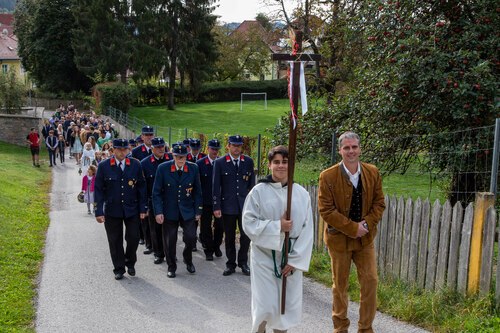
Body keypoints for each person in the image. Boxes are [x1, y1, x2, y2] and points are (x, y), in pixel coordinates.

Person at [318, 131, 386, 333]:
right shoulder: (327, 176)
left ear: (360, 149)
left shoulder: (372, 172)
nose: (351, 151)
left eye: (354, 147)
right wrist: (351, 227)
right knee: (340, 286)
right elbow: (326, 210)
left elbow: (379, 203)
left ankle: (366, 328)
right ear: (340, 150)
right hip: (339, 241)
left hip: (365, 240)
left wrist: (365, 225)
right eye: (346, 147)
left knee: (371, 281)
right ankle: (340, 328)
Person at [242, 145, 313, 333]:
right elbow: (248, 223)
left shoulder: (301, 194)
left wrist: (295, 260)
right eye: (276, 162)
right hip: (264, 256)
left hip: (290, 257)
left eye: (285, 162)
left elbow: (307, 231)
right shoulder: (258, 192)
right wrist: (277, 226)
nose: (281, 166)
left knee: (285, 306)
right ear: (269, 165)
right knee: (265, 304)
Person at [94, 138, 148, 280]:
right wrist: (98, 211)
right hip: (112, 209)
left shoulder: (135, 165)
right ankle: (119, 268)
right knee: (114, 240)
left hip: (132, 208)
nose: (122, 152)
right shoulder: (104, 166)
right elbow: (98, 190)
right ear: (113, 150)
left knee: (134, 238)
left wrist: (143, 208)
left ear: (129, 150)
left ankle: (130, 262)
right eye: (119, 149)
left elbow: (142, 187)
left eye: (125, 149)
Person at [152, 144, 202, 278]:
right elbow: (156, 192)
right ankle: (171, 266)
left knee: (191, 237)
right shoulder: (163, 168)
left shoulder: (193, 168)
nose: (181, 159)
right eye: (178, 157)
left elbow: (197, 192)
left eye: (183, 157)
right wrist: (158, 211)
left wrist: (198, 210)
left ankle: (188, 258)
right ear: (173, 156)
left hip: (187, 209)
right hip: (169, 210)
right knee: (170, 240)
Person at [213, 134, 255, 276]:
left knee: (246, 235)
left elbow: (251, 186)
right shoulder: (220, 162)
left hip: (245, 207)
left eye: (239, 145)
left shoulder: (248, 161)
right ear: (228, 146)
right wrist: (216, 206)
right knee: (229, 236)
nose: (237, 148)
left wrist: (253, 205)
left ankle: (243, 262)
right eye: (234, 145)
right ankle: (230, 263)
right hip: (227, 206)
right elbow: (216, 186)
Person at [140, 137, 172, 264]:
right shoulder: (145, 163)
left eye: (162, 146)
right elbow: (143, 187)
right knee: (156, 229)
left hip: (170, 201)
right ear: (152, 148)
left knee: (170, 230)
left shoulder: (170, 159)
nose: (161, 149)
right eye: (158, 147)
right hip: (153, 201)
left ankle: (170, 253)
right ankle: (159, 253)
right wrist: (145, 206)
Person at [196, 139, 223, 261]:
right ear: (208, 149)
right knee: (205, 226)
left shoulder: (222, 162)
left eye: (217, 149)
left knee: (220, 226)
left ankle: (216, 246)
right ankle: (208, 249)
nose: (215, 151)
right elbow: (197, 184)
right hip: (205, 200)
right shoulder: (200, 163)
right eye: (212, 149)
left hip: (219, 200)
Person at [132, 125, 155, 246]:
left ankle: (152, 241)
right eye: (146, 135)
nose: (149, 137)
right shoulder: (136, 151)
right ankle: (144, 237)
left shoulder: (160, 148)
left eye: (151, 134)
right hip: (142, 185)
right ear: (142, 137)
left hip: (154, 186)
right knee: (143, 214)